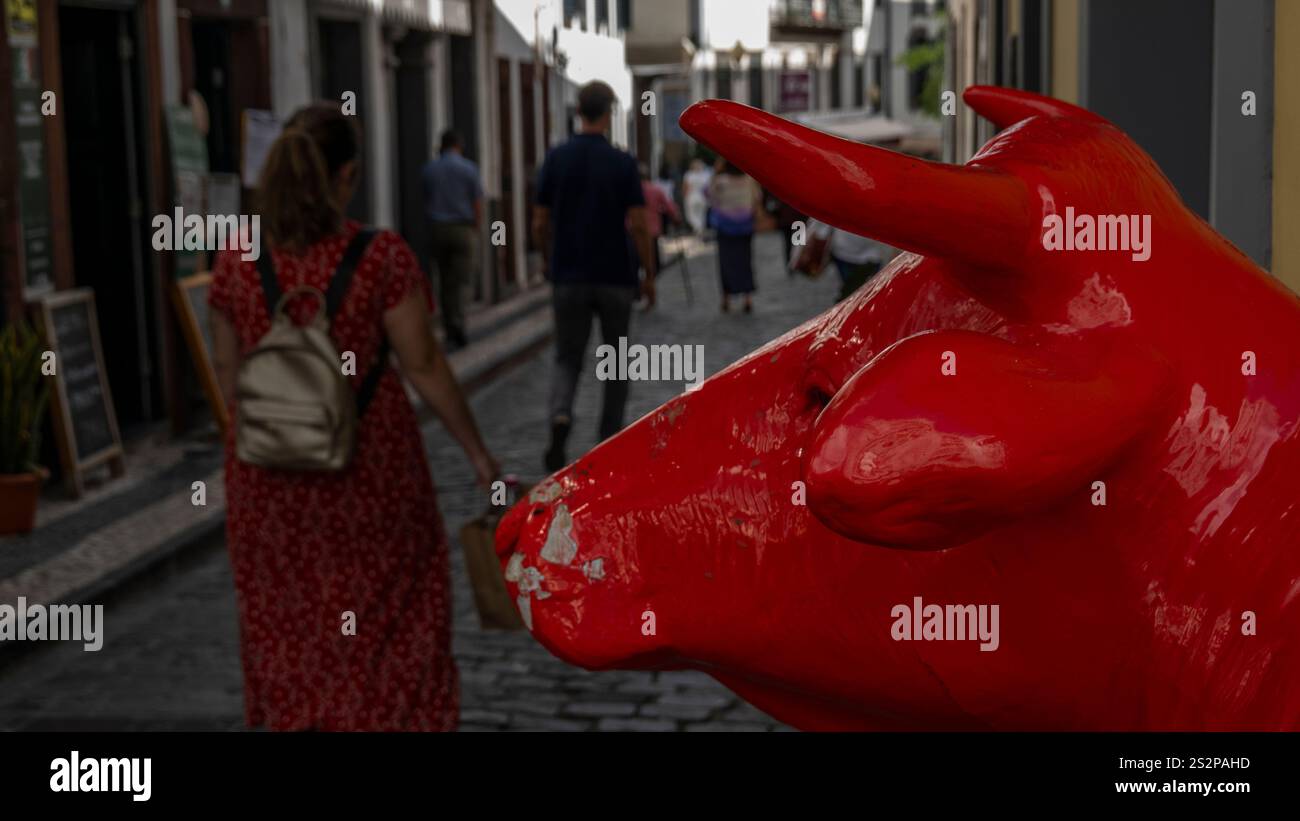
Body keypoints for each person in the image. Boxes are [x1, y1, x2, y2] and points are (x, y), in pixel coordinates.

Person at [209, 102, 499, 731]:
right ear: (346, 177)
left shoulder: (236, 262)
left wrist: (274, 435)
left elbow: (228, 378)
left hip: (268, 486)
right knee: (389, 622)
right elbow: (423, 365)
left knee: (289, 631)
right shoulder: (380, 258)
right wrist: (479, 455)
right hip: (371, 476)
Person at [532, 80, 657, 473]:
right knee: (616, 359)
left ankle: (560, 416)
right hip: (614, 275)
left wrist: (547, 258)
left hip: (568, 273)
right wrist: (648, 272)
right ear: (607, 114)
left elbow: (539, 221)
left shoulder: (556, 158)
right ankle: (609, 442)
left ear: (579, 112)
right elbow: (639, 223)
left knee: (567, 356)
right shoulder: (622, 162)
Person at [421, 129, 483, 350]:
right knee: (462, 280)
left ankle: (449, 327)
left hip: (438, 228)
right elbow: (477, 202)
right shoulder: (469, 169)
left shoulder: (429, 169)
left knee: (445, 280)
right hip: (462, 229)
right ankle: (458, 323)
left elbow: (426, 199)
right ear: (458, 145)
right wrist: (477, 227)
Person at [708, 160, 762, 313]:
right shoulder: (749, 179)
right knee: (745, 261)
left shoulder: (720, 181)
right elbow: (756, 199)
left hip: (725, 226)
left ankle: (726, 298)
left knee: (725, 263)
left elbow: (710, 196)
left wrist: (715, 172)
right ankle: (747, 297)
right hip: (745, 226)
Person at [808, 219, 896, 302]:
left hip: (849, 253)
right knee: (863, 292)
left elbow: (822, 228)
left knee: (857, 292)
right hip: (860, 255)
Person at [628, 163, 681, 284]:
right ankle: (651, 282)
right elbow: (670, 207)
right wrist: (676, 218)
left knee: (634, 261)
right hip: (652, 230)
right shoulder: (655, 190)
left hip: (632, 230)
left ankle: (639, 286)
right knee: (653, 261)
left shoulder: (629, 190)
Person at [682, 158, 713, 235]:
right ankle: (700, 230)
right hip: (703, 197)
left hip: (692, 196)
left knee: (690, 215)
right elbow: (709, 188)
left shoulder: (689, 174)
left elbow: (685, 187)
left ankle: (698, 228)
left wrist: (684, 196)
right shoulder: (706, 175)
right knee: (701, 215)